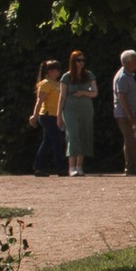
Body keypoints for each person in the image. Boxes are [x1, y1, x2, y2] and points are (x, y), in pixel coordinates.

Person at [58, 47, 99, 177]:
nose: (81, 63)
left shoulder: (89, 75)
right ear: (73, 61)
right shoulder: (66, 77)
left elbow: (95, 92)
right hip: (70, 108)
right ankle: (72, 167)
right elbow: (62, 96)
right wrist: (58, 114)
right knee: (72, 134)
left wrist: (83, 92)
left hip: (85, 107)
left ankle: (80, 166)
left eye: (83, 60)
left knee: (84, 134)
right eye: (78, 60)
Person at [26, 58, 67, 178]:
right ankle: (60, 168)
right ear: (49, 71)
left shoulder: (57, 84)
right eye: (56, 70)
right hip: (47, 115)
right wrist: (35, 115)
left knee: (48, 142)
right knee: (56, 142)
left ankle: (38, 167)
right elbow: (40, 101)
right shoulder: (45, 83)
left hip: (55, 115)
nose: (58, 72)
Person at [111, 48, 136, 177]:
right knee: (131, 139)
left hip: (129, 114)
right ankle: (131, 167)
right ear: (129, 61)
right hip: (125, 115)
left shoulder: (129, 75)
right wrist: (130, 115)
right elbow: (122, 97)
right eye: (135, 59)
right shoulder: (123, 77)